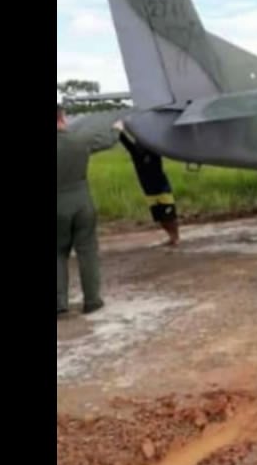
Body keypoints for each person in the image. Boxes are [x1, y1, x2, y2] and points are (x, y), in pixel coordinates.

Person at [57, 105, 119, 317]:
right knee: (88, 253)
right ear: (62, 118)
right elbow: (107, 141)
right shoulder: (79, 140)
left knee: (58, 254)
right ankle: (92, 300)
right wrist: (117, 129)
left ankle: (60, 303)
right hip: (82, 202)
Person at [115, 122, 180, 246]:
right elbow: (125, 142)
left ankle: (175, 237)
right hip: (149, 190)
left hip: (162, 188)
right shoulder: (135, 152)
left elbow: (158, 140)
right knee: (160, 218)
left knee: (169, 216)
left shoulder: (154, 152)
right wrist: (119, 130)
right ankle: (171, 236)